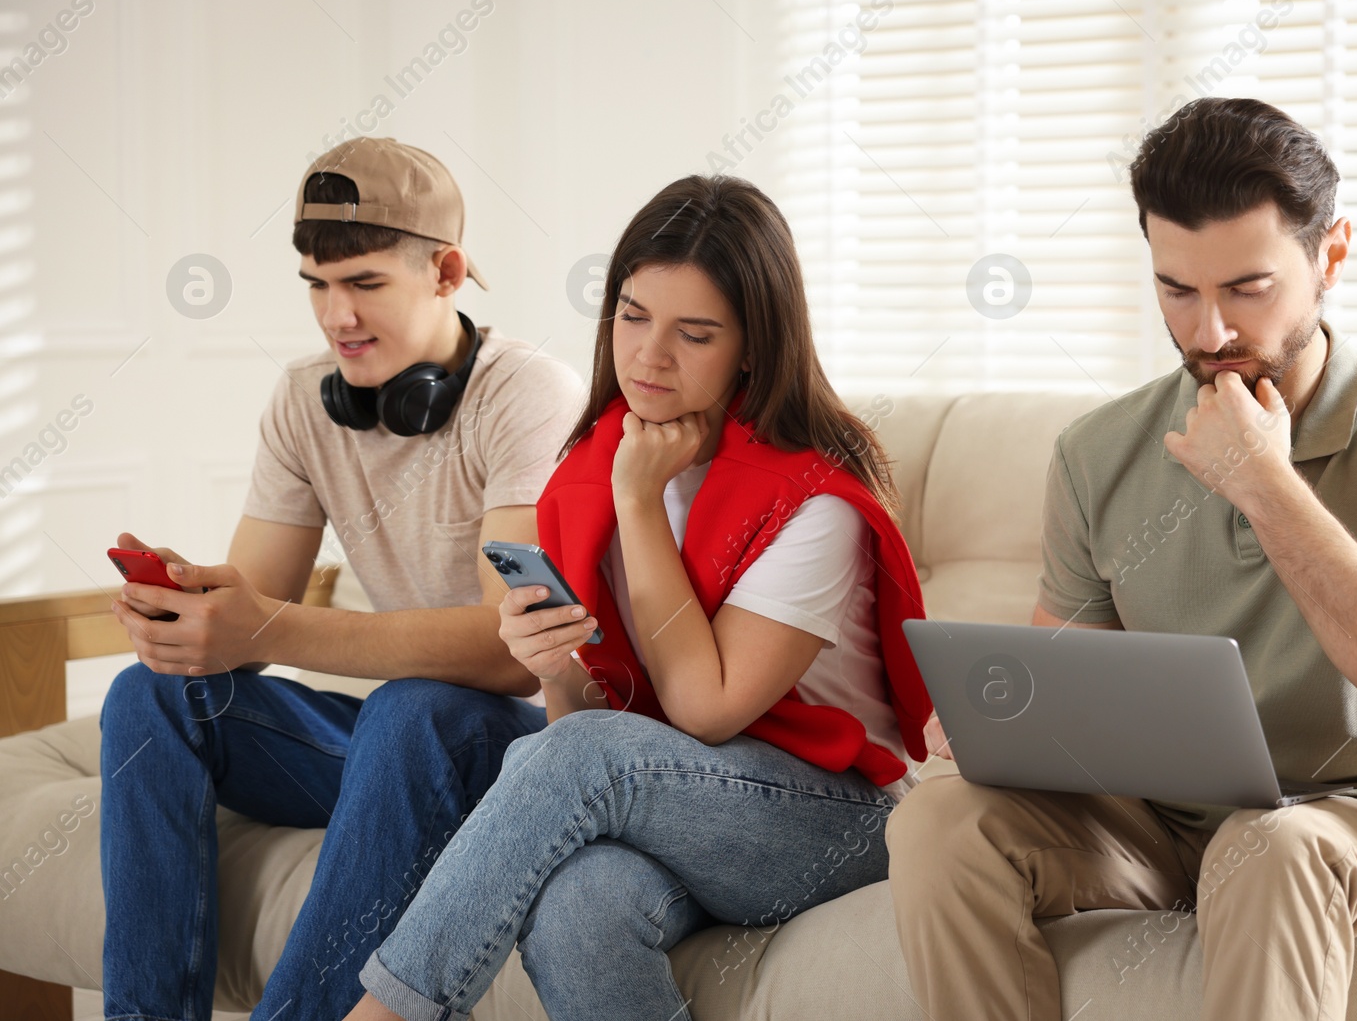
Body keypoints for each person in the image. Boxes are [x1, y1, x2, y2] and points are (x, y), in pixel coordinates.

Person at [885, 97, 1357, 1021]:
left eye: (1248, 288)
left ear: (1330, 256)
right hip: (1163, 825)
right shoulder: (1098, 451)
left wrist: (1265, 484)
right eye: (1176, 289)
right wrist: (999, 715)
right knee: (942, 821)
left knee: (1265, 847)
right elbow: (1069, 683)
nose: (1209, 332)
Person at [339, 173, 933, 1021]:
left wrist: (640, 503)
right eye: (632, 314)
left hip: (837, 819)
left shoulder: (816, 502)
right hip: (685, 801)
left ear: (753, 349)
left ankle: (388, 1012)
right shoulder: (591, 467)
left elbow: (701, 707)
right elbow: (585, 723)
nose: (649, 355)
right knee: (579, 901)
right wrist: (554, 662)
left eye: (694, 333)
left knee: (571, 762)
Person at [97, 136, 587, 1019]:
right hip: (391, 752)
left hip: (509, 744)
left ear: (445, 272)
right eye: (316, 286)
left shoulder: (528, 396)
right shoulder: (303, 401)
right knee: (149, 695)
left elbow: (510, 652)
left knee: (414, 706)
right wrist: (194, 610)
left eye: (363, 284)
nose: (336, 316)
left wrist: (269, 627)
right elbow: (246, 623)